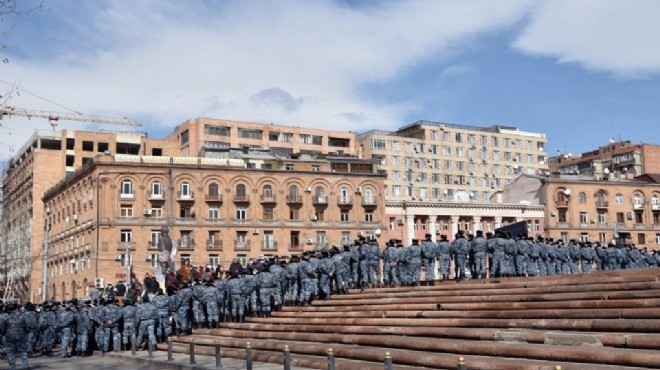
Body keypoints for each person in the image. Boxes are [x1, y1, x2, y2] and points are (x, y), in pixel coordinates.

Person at [1, 302, 30, 370]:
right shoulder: (22, 316)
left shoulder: (5, 317)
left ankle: (12, 367)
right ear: (16, 308)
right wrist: (25, 333)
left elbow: (2, 328)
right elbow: (27, 326)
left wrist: (4, 334)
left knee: (10, 352)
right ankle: (26, 366)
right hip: (21, 336)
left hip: (9, 337)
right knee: (23, 351)